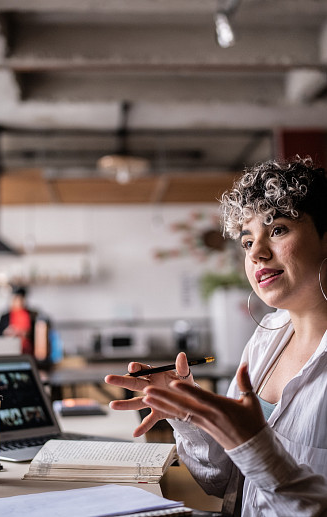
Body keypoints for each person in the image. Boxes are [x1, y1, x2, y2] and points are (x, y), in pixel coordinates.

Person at [105, 156, 327, 516]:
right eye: (247, 240)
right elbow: (225, 482)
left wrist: (254, 447)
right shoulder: (266, 338)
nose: (256, 252)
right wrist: (189, 412)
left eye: (279, 229)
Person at [0, 285, 37, 355]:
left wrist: (25, 333)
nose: (18, 301)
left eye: (20, 299)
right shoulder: (4, 317)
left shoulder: (32, 315)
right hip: (10, 350)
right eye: (15, 299)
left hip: (28, 351)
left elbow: (37, 334)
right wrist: (7, 333)